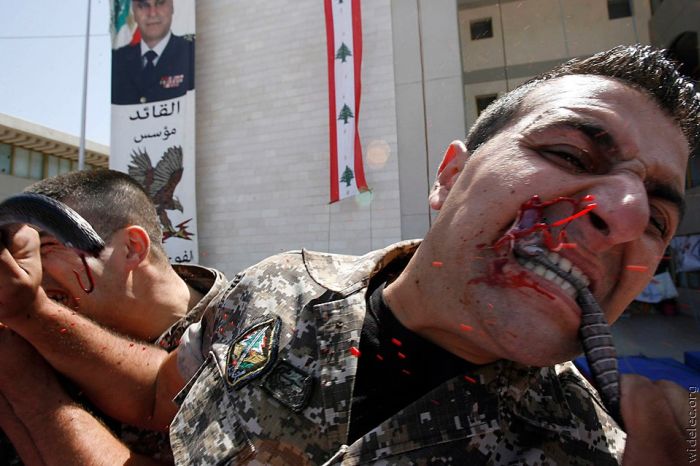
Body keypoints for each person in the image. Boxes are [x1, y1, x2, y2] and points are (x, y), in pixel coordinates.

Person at [0, 44, 697, 465]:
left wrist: (25, 389)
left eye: (659, 219)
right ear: (450, 175)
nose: (625, 216)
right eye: (570, 154)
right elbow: (164, 395)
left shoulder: (595, 450)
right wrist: (30, 316)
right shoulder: (279, 286)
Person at [0, 170, 227, 465]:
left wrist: (29, 389)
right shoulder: (31, 344)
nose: (27, 271)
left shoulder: (242, 335)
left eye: (46, 248)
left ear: (131, 248)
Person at [112, 0, 194, 105]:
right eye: (143, 5)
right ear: (134, 12)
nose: (152, 13)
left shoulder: (192, 53)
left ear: (172, 7)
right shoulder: (116, 61)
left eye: (160, 3)